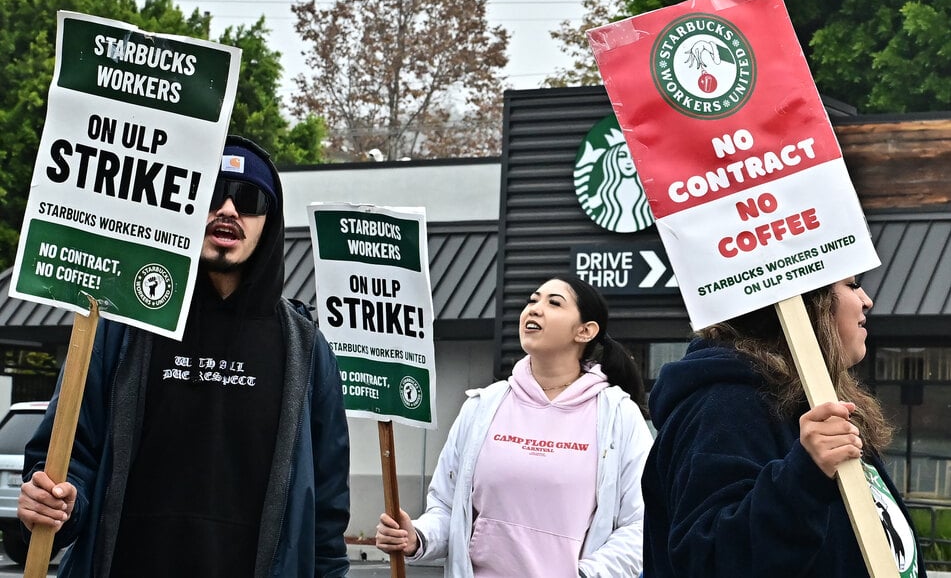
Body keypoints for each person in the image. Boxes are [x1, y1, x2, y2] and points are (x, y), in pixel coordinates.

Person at [17, 136, 350, 577]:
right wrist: (57, 502)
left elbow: (326, 508)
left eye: (248, 199)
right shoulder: (119, 328)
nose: (228, 210)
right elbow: (68, 459)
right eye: (212, 193)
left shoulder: (306, 349)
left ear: (268, 223)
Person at [641, 276, 928, 577]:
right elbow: (710, 558)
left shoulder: (811, 402)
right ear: (809, 303)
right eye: (852, 285)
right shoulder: (725, 406)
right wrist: (804, 478)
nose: (866, 300)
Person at [375, 275, 654, 577]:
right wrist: (417, 535)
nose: (534, 309)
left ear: (585, 331)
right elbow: (447, 507)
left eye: (554, 303)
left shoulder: (618, 417)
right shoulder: (482, 407)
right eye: (532, 300)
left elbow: (641, 525)